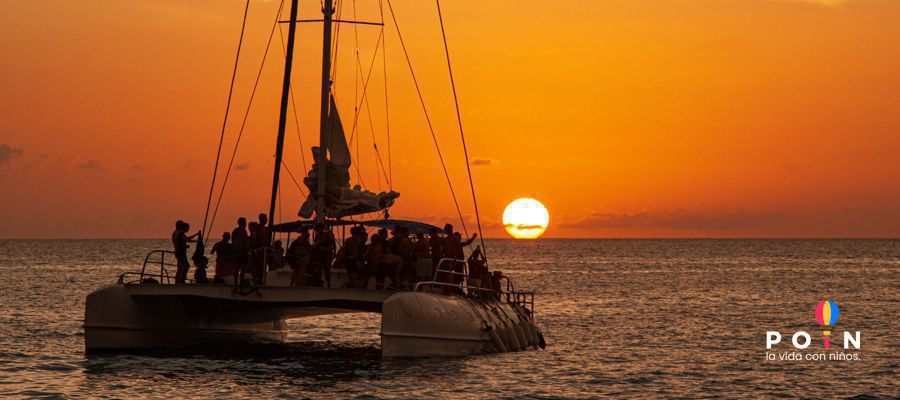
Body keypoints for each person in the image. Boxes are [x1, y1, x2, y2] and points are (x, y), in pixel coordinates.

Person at [312, 223, 336, 287]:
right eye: (317, 229)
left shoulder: (328, 235)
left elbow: (332, 246)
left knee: (327, 271)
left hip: (327, 255)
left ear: (323, 229)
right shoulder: (317, 236)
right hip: (319, 255)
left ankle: (329, 285)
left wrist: (325, 249)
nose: (318, 230)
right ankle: (318, 284)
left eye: (319, 228)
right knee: (318, 270)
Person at [231, 217, 250, 282]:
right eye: (245, 223)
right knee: (242, 268)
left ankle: (236, 282)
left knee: (237, 268)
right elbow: (245, 242)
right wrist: (248, 250)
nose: (245, 224)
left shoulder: (235, 231)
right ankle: (240, 282)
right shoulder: (242, 232)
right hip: (241, 252)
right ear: (241, 223)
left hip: (236, 252)